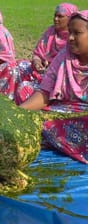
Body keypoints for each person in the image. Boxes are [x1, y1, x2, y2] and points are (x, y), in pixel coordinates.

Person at [19, 10, 88, 164]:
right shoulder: (64, 56)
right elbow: (44, 92)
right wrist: (18, 111)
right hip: (63, 109)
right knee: (34, 118)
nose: (70, 38)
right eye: (70, 32)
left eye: (77, 33)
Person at [16, 3, 78, 104]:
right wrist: (37, 62)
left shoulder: (74, 41)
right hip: (41, 72)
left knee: (24, 88)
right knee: (18, 66)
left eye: (60, 16)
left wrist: (50, 68)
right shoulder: (50, 31)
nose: (56, 19)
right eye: (55, 15)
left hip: (57, 80)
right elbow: (38, 53)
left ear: (70, 19)